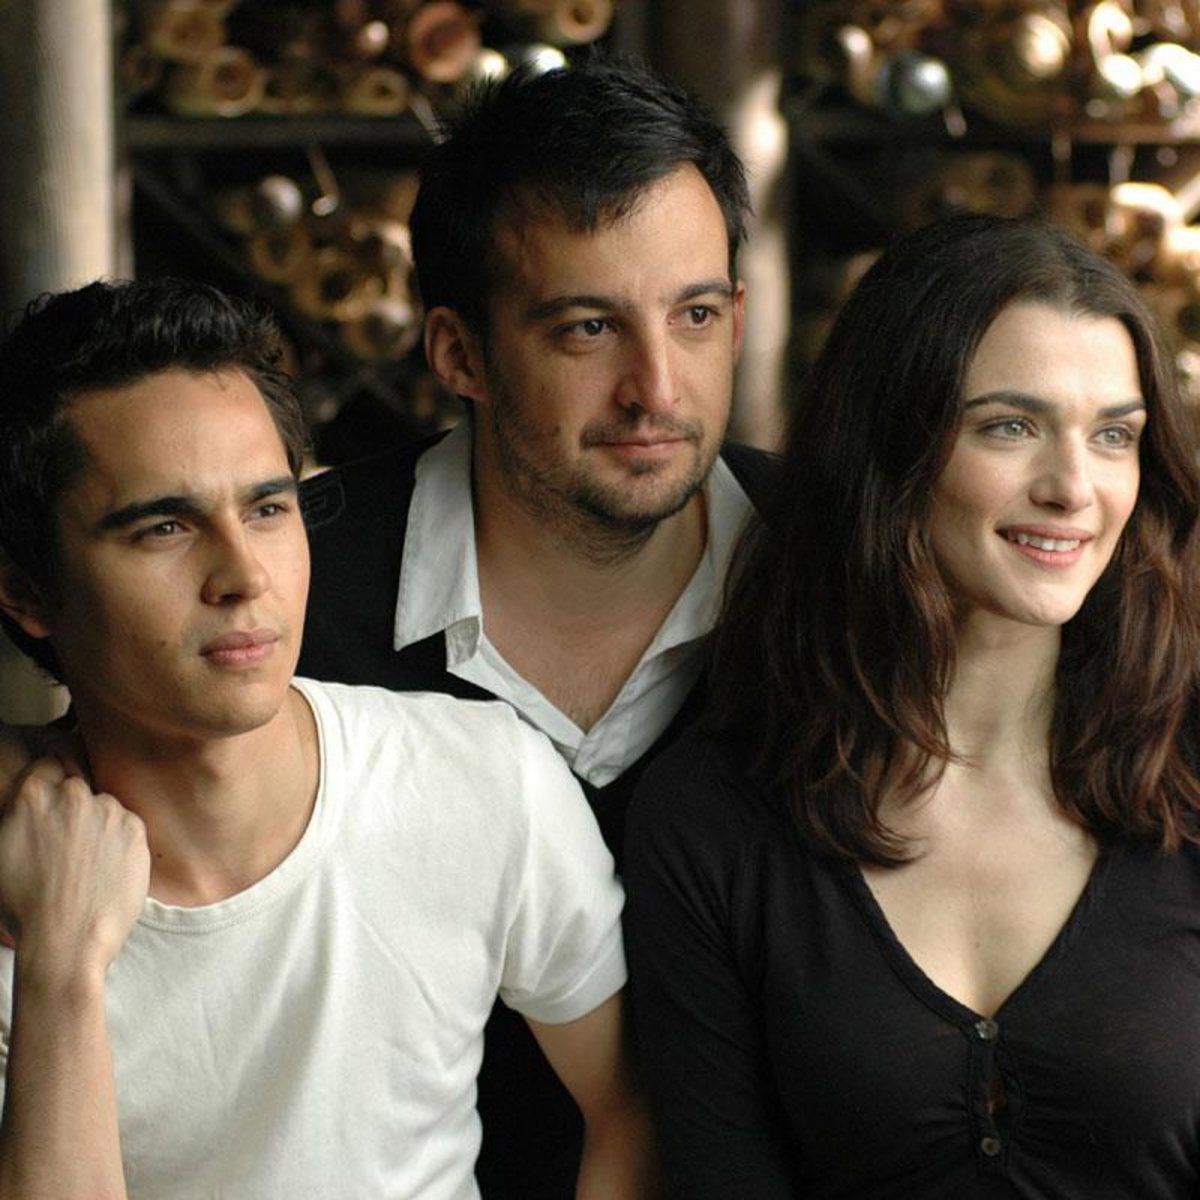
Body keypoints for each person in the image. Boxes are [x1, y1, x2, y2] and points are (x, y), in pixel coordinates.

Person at [0, 278, 655, 1200]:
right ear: (26, 590)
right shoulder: (19, 883)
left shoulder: (482, 780)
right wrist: (62, 966)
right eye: (164, 527)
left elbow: (635, 1108)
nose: (243, 575)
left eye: (268, 509)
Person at [623, 213, 1200, 1197]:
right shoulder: (712, 819)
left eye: (1114, 435)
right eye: (1009, 426)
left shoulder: (1187, 772)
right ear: (891, 446)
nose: (1074, 488)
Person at [296, 54, 773, 1197]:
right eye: (587, 328)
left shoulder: (847, 571)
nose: (658, 387)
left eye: (695, 316)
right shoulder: (290, 593)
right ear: (459, 353)